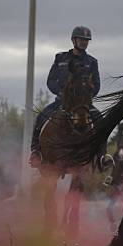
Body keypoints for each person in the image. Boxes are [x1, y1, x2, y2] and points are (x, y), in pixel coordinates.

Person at [30, 26, 101, 164]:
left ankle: (101, 156)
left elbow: (97, 85)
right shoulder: (60, 58)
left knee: (100, 120)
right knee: (41, 117)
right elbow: (51, 81)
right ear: (74, 40)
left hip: (83, 105)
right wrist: (62, 93)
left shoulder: (92, 62)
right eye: (82, 40)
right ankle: (36, 152)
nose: (84, 42)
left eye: (87, 40)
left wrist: (86, 97)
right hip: (62, 101)